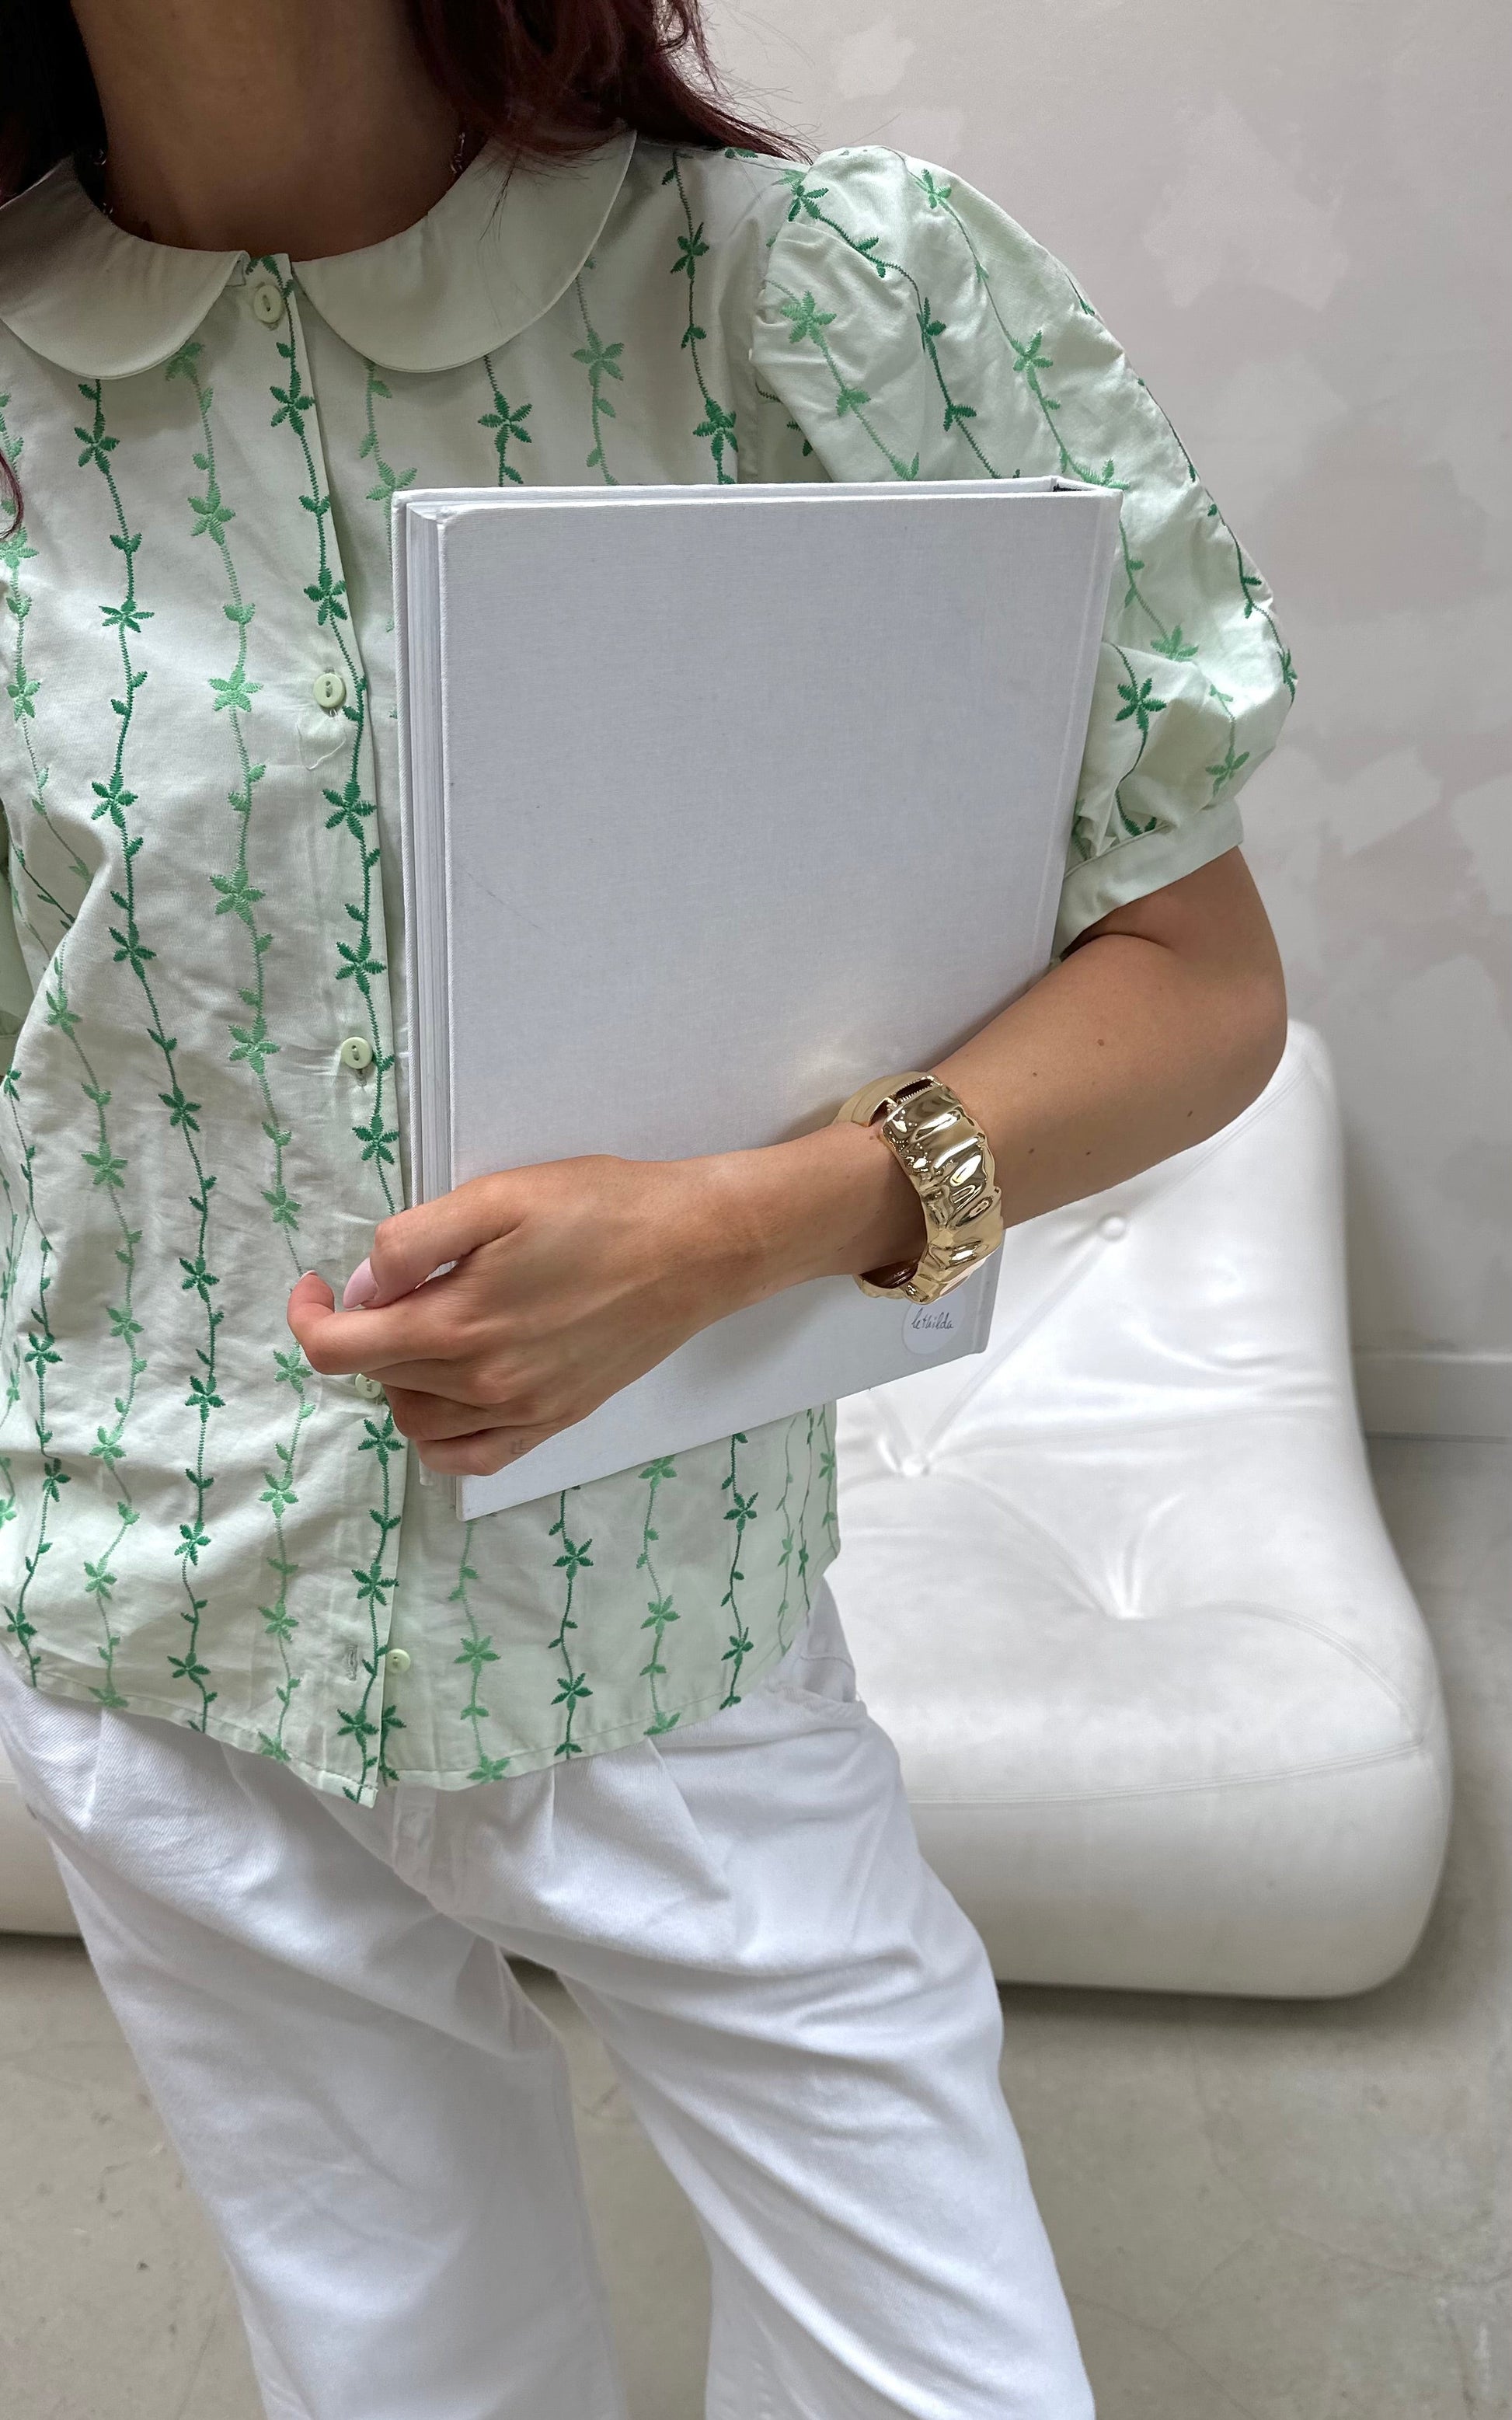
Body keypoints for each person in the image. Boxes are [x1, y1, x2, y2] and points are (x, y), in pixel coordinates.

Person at [0, 2, 1292, 2413]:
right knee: (401, 2379)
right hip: (142, 1634)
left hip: (658, 1625)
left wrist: (733, 1229)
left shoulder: (812, 299)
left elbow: (1196, 985)